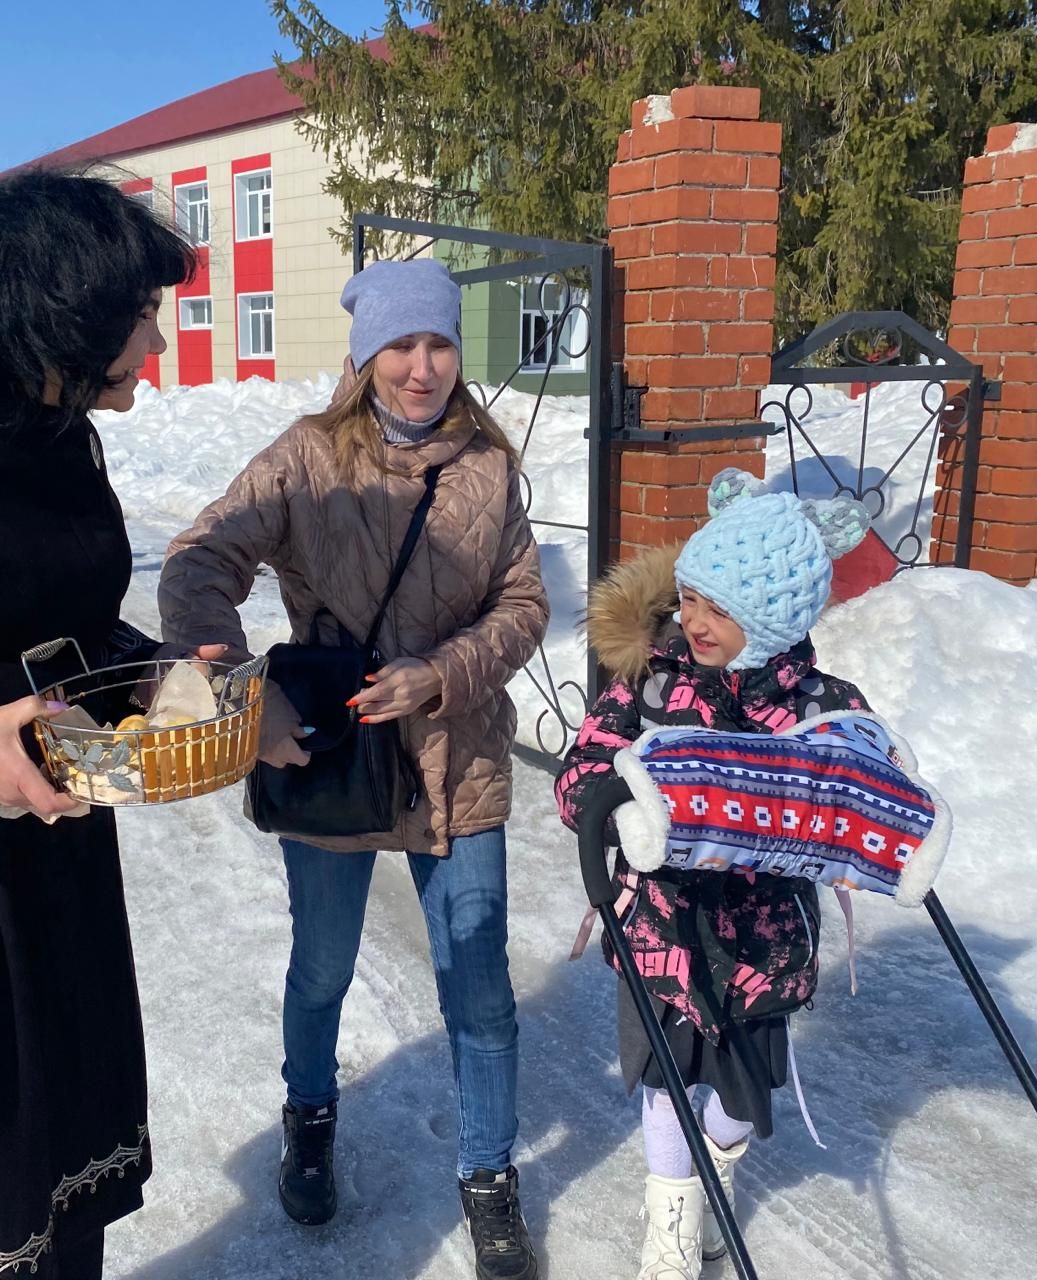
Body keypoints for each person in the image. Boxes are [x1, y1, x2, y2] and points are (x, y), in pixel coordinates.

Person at [157, 259, 548, 1280]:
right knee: (323, 966)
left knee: (481, 990)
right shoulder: (307, 458)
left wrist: (443, 672)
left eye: (439, 344)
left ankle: (490, 1175)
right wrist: (246, 694)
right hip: (333, 751)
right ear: (368, 351)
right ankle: (312, 1118)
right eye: (401, 345)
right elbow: (198, 561)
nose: (422, 367)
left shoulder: (490, 466)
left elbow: (524, 607)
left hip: (456, 759)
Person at [555, 471, 872, 1280]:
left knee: (739, 1093)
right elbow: (584, 763)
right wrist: (612, 807)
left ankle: (714, 1174)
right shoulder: (651, 681)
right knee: (668, 1074)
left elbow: (860, 791)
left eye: (718, 609)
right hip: (660, 921)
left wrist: (895, 826)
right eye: (690, 598)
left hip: (763, 933)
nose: (692, 620)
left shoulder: (819, 709)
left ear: (773, 621)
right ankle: (670, 1220)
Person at [0, 170, 220, 1279]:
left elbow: (67, 623)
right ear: (69, 305)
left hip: (58, 854)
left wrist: (165, 680)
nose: (161, 341)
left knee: (63, 1182)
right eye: (146, 312)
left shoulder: (58, 438)